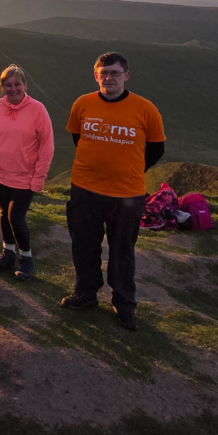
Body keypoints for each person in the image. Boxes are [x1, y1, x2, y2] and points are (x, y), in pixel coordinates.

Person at [61, 52, 165, 331]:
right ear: (96, 76)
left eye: (115, 73)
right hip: (84, 188)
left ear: (126, 76)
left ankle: (124, 304)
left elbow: (156, 148)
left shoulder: (145, 109)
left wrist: (130, 169)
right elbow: (78, 138)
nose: (109, 78)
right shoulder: (82, 104)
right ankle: (86, 293)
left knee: (122, 250)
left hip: (127, 194)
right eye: (103, 73)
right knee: (84, 245)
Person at [0, 65, 54, 281]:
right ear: (2, 87)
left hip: (25, 176)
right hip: (0, 172)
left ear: (25, 85)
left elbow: (47, 145)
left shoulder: (37, 109)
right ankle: (8, 253)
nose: (13, 89)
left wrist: (39, 177)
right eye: (8, 85)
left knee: (16, 217)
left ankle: (27, 259)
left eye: (17, 84)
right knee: (4, 213)